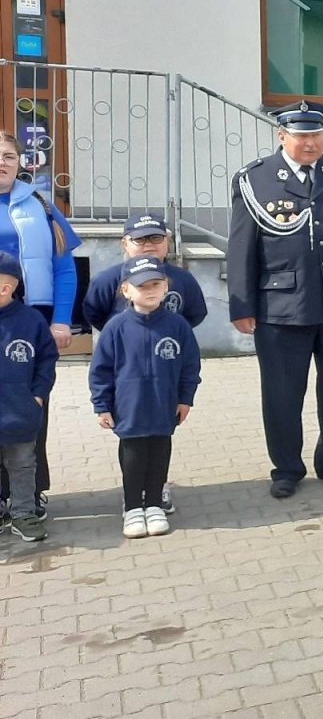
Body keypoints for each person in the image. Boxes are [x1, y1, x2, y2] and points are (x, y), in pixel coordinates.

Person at [227, 102, 323, 499]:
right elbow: (241, 245)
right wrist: (241, 305)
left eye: (316, 134)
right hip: (282, 306)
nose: (310, 142)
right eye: (302, 135)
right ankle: (286, 468)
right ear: (283, 136)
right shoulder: (255, 179)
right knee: (282, 392)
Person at [81, 212, 205, 514]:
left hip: (165, 373)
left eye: (156, 238)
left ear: (168, 242)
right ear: (125, 243)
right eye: (140, 239)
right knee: (133, 440)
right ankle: (133, 496)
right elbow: (94, 314)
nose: (148, 245)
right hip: (128, 377)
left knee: (161, 439)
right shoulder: (108, 280)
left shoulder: (182, 280)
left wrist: (168, 332)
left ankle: (157, 490)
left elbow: (193, 317)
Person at [0, 131, 79, 523]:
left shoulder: (42, 204)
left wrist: (62, 319)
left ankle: (30, 493)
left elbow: (64, 268)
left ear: (20, 162)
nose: (2, 162)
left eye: (8, 156)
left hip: (31, 320)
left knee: (32, 403)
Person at [0, 251, 55, 542]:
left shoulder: (31, 321)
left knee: (22, 464)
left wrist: (38, 395)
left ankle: (23, 513)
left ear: (6, 288)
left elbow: (47, 360)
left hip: (21, 412)